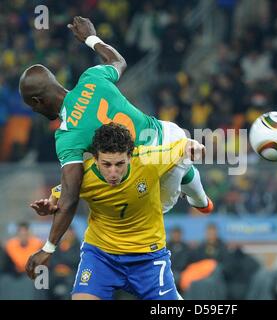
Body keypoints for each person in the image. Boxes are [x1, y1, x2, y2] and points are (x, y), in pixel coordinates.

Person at [19, 17, 213, 272]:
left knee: (133, 203)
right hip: (169, 133)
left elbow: (72, 194)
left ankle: (187, 178)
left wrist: (48, 248)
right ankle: (196, 191)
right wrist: (91, 38)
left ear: (37, 101)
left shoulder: (67, 136)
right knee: (170, 161)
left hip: (152, 169)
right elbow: (118, 61)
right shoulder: (91, 78)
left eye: (30, 106)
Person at [28, 123, 206, 300]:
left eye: (120, 164)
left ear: (130, 156)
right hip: (101, 256)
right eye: (106, 164)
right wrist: (49, 205)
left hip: (148, 257)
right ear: (95, 159)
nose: (113, 172)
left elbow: (182, 145)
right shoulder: (84, 176)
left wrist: (194, 146)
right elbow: (60, 193)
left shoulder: (148, 159)